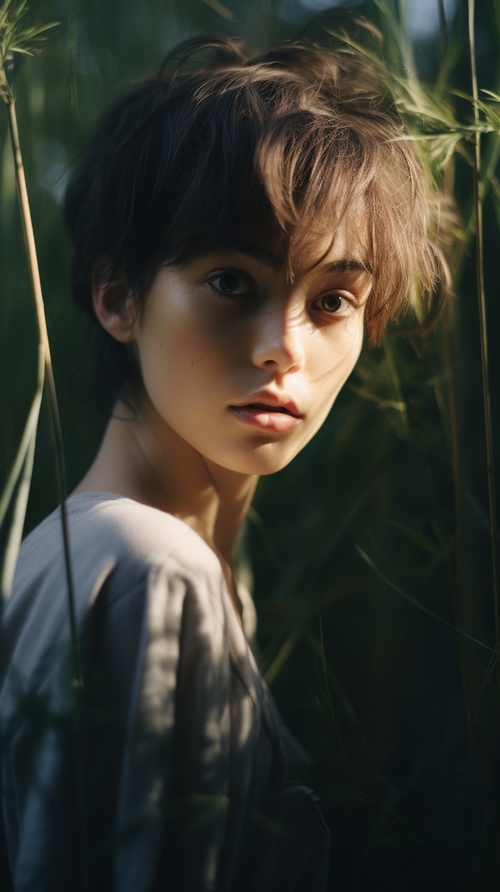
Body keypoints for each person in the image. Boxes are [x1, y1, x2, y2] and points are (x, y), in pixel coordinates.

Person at [0, 28, 448, 892]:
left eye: (332, 301)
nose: (286, 348)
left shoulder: (81, 553)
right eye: (232, 282)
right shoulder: (152, 574)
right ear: (116, 297)